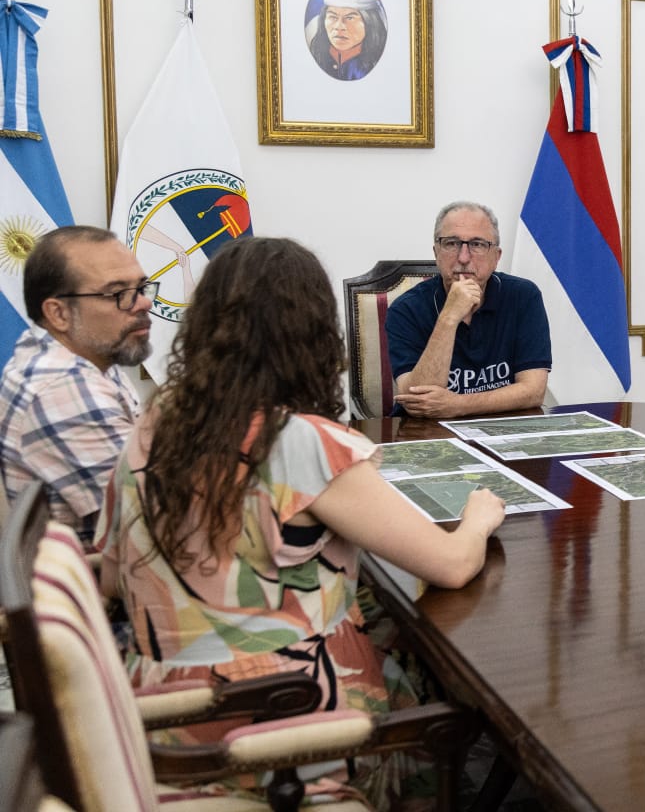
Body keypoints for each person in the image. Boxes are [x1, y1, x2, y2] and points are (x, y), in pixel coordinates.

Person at [97, 236, 506, 805]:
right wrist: (480, 516)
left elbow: (112, 577)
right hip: (274, 713)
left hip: (156, 708)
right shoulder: (301, 442)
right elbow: (453, 564)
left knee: (398, 630)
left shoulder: (153, 422)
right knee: (450, 695)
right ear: (315, 332)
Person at [0, 226, 153, 544]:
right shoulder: (63, 389)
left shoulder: (87, 354)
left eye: (142, 287)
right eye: (119, 294)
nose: (143, 304)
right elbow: (161, 516)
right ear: (57, 314)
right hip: (101, 585)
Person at [386, 201, 551, 418]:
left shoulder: (523, 296)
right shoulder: (405, 309)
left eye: (478, 244)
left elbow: (533, 391)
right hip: (426, 435)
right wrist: (449, 317)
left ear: (496, 257)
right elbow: (418, 403)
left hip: (502, 430)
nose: (463, 258)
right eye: (452, 243)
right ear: (436, 252)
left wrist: (458, 405)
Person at [304, 0, 389, 81]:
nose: (339, 27)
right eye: (333, 17)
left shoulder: (377, 64)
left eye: (350, 18)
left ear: (370, 22)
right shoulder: (317, 56)